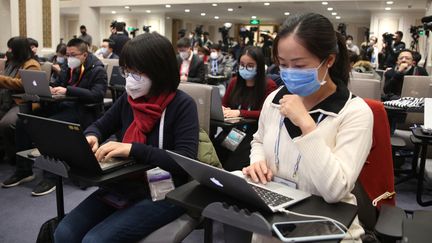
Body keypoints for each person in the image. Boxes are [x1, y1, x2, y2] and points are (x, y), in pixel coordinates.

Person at [53, 32, 199, 243]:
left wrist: (132, 149)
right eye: (126, 72)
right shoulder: (129, 99)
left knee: (95, 241)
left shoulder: (182, 105)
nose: (129, 79)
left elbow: (185, 160)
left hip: (164, 191)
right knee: (64, 232)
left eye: (136, 73)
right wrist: (92, 136)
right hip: (123, 183)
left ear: (159, 72)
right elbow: (100, 125)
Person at [242, 13, 373, 242]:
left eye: (300, 65)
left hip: (328, 228)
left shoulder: (354, 112)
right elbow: (259, 140)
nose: (289, 72)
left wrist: (306, 125)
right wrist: (257, 162)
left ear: (329, 60)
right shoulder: (274, 99)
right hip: (273, 222)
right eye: (283, 64)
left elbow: (334, 190)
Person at [1, 38, 108, 195]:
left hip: (83, 110)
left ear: (84, 55)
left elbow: (97, 95)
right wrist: (50, 88)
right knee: (23, 121)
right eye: (67, 54)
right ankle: (24, 170)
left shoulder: (97, 69)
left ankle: (52, 177)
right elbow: (59, 82)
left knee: (51, 126)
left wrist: (67, 91)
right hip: (62, 105)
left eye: (73, 54)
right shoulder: (68, 66)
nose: (69, 58)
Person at [216, 46, 277, 171]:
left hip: (253, 135)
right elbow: (224, 104)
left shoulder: (269, 85)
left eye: (250, 65)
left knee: (232, 166)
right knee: (215, 157)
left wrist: (239, 112)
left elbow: (266, 113)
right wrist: (222, 110)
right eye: (242, 65)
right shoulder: (234, 82)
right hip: (233, 132)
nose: (245, 69)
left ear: (259, 67)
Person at [0, 37, 41, 164]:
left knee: (6, 124)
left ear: (18, 50)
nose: (9, 51)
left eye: (11, 48)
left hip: (22, 102)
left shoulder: (31, 64)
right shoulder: (12, 63)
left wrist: (1, 80)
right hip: (6, 100)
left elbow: (25, 84)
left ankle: (15, 158)